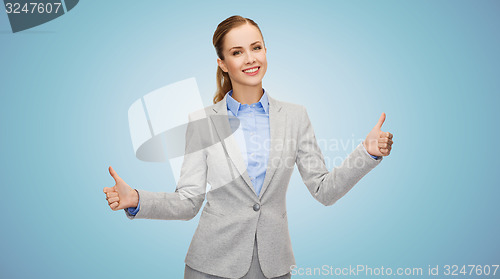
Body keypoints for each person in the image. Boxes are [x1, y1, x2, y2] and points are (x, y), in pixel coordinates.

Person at [103, 15, 394, 279]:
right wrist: (138, 199)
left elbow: (324, 190)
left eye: (256, 47)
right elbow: (189, 201)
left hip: (274, 267)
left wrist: (366, 153)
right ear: (222, 63)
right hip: (210, 266)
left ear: (266, 51)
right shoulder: (202, 121)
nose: (250, 58)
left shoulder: (296, 116)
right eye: (236, 52)